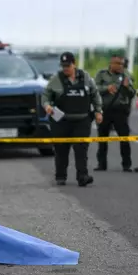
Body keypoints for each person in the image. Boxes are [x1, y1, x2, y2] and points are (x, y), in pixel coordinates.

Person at [42, 51, 103, 187]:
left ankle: (82, 176)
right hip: (62, 121)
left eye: (68, 66)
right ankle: (60, 176)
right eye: (63, 66)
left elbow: (95, 95)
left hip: (82, 120)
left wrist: (98, 111)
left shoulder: (85, 77)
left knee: (81, 149)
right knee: (61, 149)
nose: (65, 69)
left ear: (74, 64)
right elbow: (45, 96)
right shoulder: (56, 79)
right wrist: (47, 106)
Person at [94, 54, 135, 172]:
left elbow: (132, 93)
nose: (120, 66)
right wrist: (107, 88)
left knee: (124, 137)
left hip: (120, 111)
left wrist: (127, 87)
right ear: (111, 64)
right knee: (102, 137)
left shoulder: (126, 75)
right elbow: (94, 89)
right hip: (105, 109)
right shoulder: (101, 74)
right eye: (118, 64)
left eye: (122, 64)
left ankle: (126, 164)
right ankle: (101, 164)